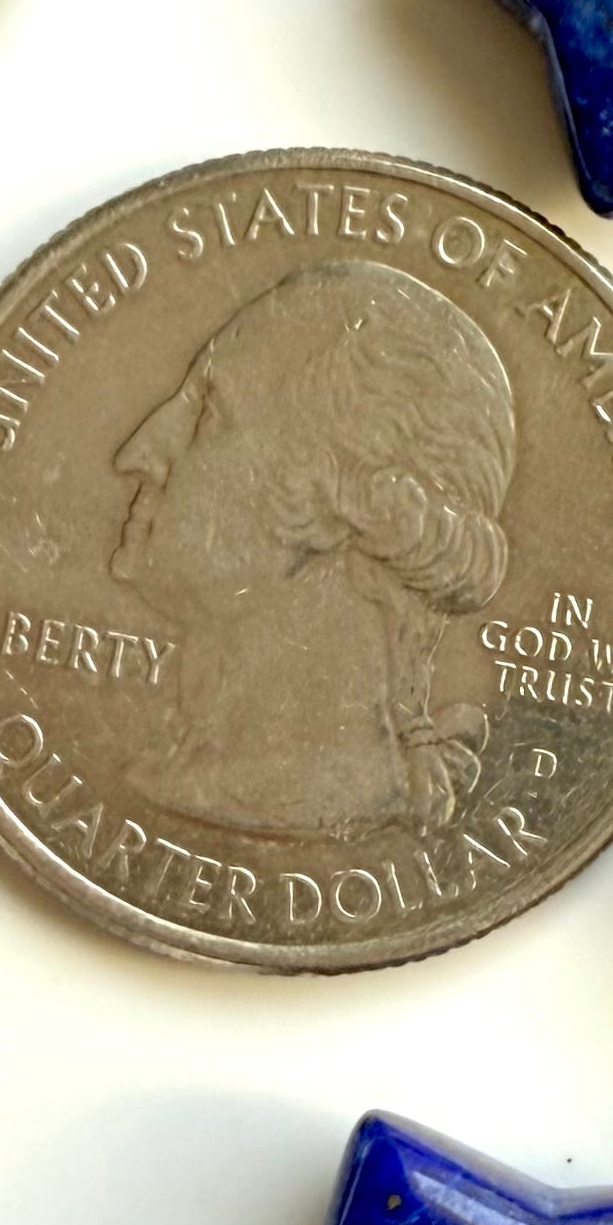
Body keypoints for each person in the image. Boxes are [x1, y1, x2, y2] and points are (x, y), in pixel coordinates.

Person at [107, 259, 516, 840]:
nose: (136, 452)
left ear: (341, 498)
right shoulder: (172, 775)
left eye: (210, 414)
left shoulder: (258, 799)